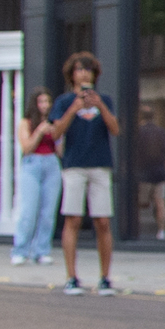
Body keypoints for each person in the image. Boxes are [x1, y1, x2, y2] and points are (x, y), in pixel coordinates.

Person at [50, 53, 121, 295]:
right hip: (74, 165)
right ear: (72, 75)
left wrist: (99, 105)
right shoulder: (63, 101)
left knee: (102, 221)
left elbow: (115, 128)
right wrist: (74, 108)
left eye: (88, 70)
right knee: (73, 219)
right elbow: (56, 132)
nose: (84, 74)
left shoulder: (106, 100)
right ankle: (71, 277)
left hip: (100, 164)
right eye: (79, 70)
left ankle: (105, 278)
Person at [11, 88, 61, 265]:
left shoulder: (54, 122)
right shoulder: (26, 122)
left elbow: (61, 151)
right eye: (41, 102)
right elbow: (26, 147)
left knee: (48, 212)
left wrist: (57, 134)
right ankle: (20, 250)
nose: (45, 106)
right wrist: (40, 131)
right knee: (29, 210)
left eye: (47, 102)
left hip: (52, 164)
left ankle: (42, 250)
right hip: (32, 164)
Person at [131, 105, 165, 241]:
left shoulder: (137, 132)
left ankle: (134, 230)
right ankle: (162, 231)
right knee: (160, 203)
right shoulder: (161, 132)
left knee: (138, 203)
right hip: (159, 173)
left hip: (142, 174)